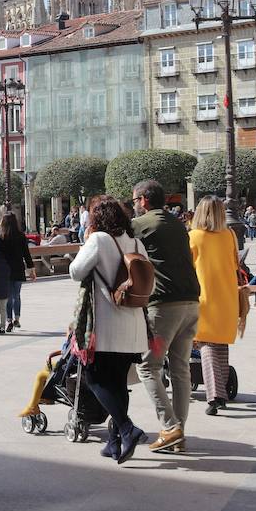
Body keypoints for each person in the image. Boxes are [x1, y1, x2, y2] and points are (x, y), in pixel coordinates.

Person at [68, 195, 152, 463]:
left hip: (107, 327)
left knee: (95, 379)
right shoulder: (136, 242)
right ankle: (114, 442)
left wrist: (88, 240)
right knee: (117, 383)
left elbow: (76, 271)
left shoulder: (99, 240)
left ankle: (128, 429)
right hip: (134, 323)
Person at [130, 179, 201, 454]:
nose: (134, 206)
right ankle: (178, 431)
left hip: (164, 307)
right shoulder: (177, 223)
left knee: (148, 367)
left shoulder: (144, 224)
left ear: (144, 200)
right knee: (181, 368)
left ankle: (170, 426)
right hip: (191, 303)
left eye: (134, 201)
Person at [190, 197, 245, 417]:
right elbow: (234, 264)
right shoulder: (230, 235)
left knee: (207, 347)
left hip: (205, 297)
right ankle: (220, 389)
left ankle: (215, 395)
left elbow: (188, 268)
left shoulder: (193, 237)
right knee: (220, 345)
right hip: (228, 296)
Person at [0, 212, 34, 333]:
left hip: (4, 270)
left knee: (7, 296)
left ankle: (8, 319)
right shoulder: (20, 236)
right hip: (18, 269)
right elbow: (26, 254)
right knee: (16, 295)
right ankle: (17, 318)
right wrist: (31, 270)